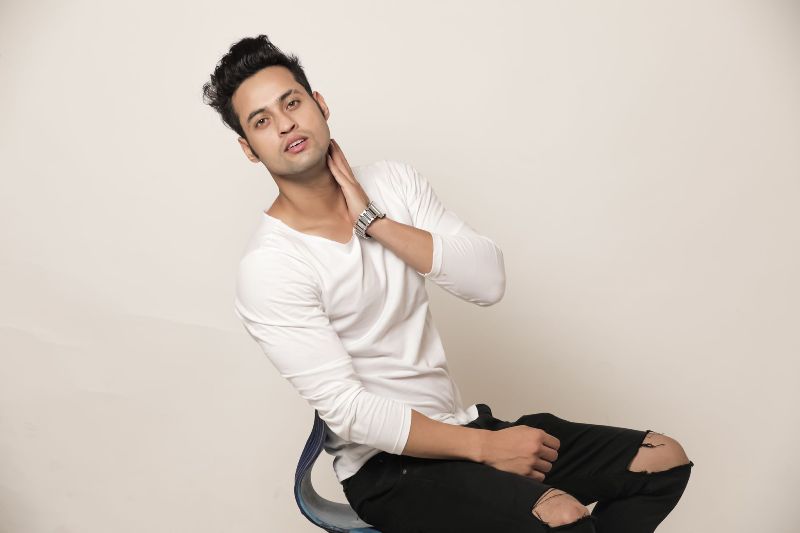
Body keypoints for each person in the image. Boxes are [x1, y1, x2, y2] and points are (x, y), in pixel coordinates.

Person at [202, 34, 694, 533]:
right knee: (560, 515)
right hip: (387, 470)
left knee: (662, 460)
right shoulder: (270, 266)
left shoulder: (393, 183)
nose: (285, 124)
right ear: (249, 149)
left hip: (463, 426)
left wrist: (375, 222)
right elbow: (349, 412)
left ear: (320, 104)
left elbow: (488, 280)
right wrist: (487, 447)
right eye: (261, 121)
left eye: (292, 103)